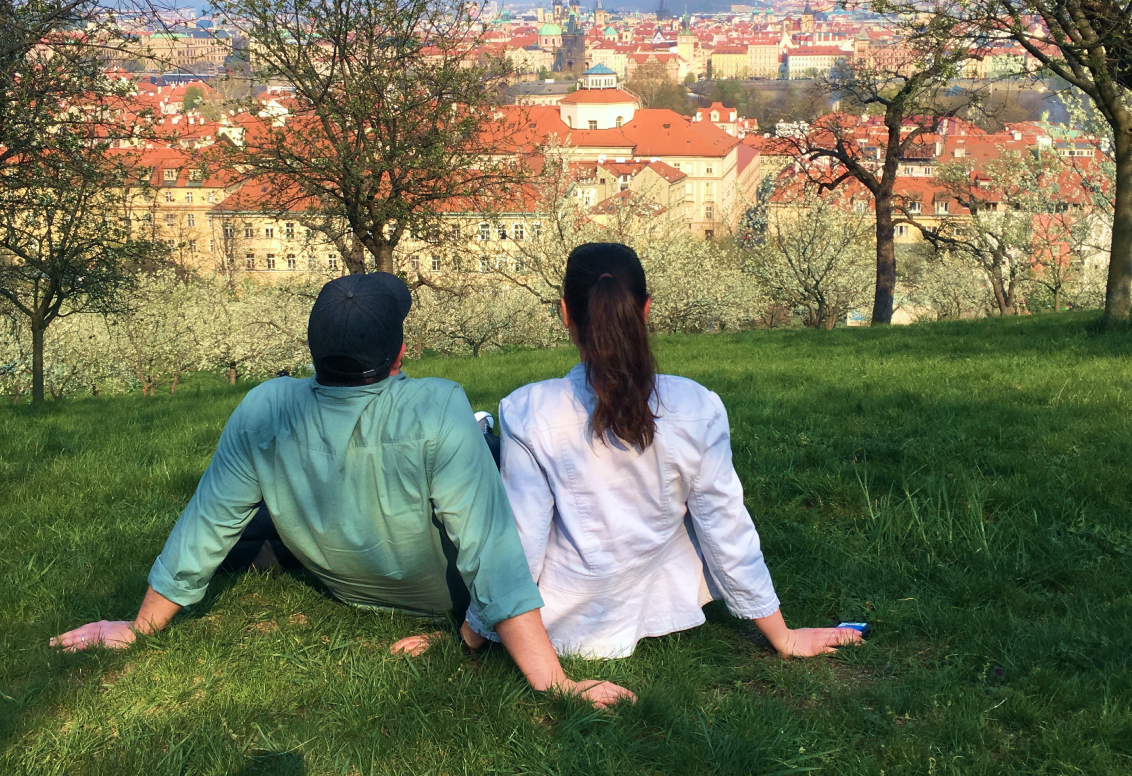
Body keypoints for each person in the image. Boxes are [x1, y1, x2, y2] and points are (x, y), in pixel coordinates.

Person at [52, 272, 632, 707]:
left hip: (337, 571)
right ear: (399, 354)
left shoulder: (265, 406)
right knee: (496, 449)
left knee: (249, 524)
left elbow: (206, 524)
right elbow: (491, 548)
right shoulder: (436, 403)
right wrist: (557, 683)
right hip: (441, 594)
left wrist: (139, 625)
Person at [462, 243, 864, 661]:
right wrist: (783, 635)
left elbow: (520, 543)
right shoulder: (696, 405)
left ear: (565, 313)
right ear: (646, 309)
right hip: (665, 605)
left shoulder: (530, 410)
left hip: (568, 621)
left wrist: (471, 632)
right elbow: (724, 524)